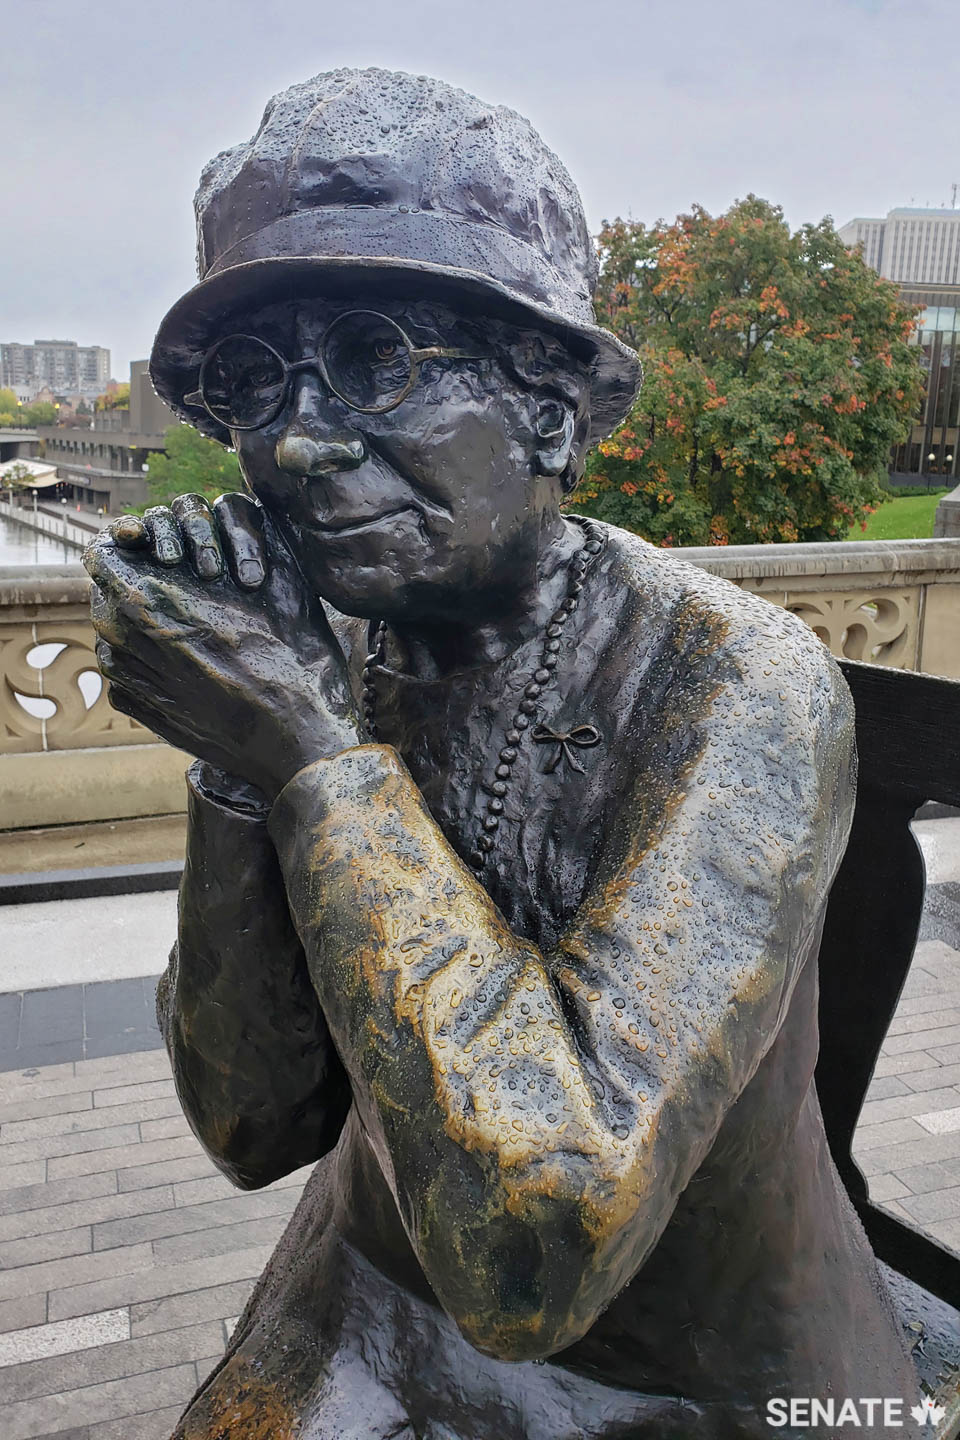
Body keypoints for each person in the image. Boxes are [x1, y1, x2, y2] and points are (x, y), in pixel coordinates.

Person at [85, 69, 920, 1440]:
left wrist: (305, 752)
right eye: (251, 381)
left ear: (554, 408)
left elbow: (537, 1250)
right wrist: (236, 765)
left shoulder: (738, 680)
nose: (294, 440)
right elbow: (250, 1128)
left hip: (698, 1375)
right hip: (374, 1281)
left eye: (374, 359)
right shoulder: (323, 649)